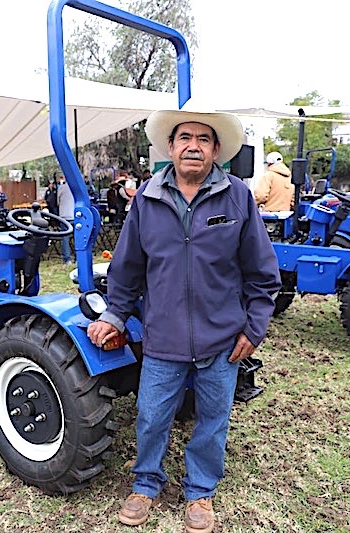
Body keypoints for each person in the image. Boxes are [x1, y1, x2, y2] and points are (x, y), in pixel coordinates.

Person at [86, 103, 280, 532]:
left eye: (203, 140)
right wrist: (115, 315)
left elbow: (262, 274)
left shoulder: (238, 198)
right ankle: (145, 485)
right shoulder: (147, 201)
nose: (194, 147)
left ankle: (200, 491)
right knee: (152, 415)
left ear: (216, 151)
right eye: (185, 139)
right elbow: (127, 268)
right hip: (163, 337)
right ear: (171, 148)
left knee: (213, 419)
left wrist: (254, 326)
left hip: (222, 341)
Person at [56, 176, 74, 264]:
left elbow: (58, 202)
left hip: (64, 216)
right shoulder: (76, 188)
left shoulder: (61, 188)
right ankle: (78, 257)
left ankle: (67, 259)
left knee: (65, 238)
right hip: (75, 215)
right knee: (78, 238)